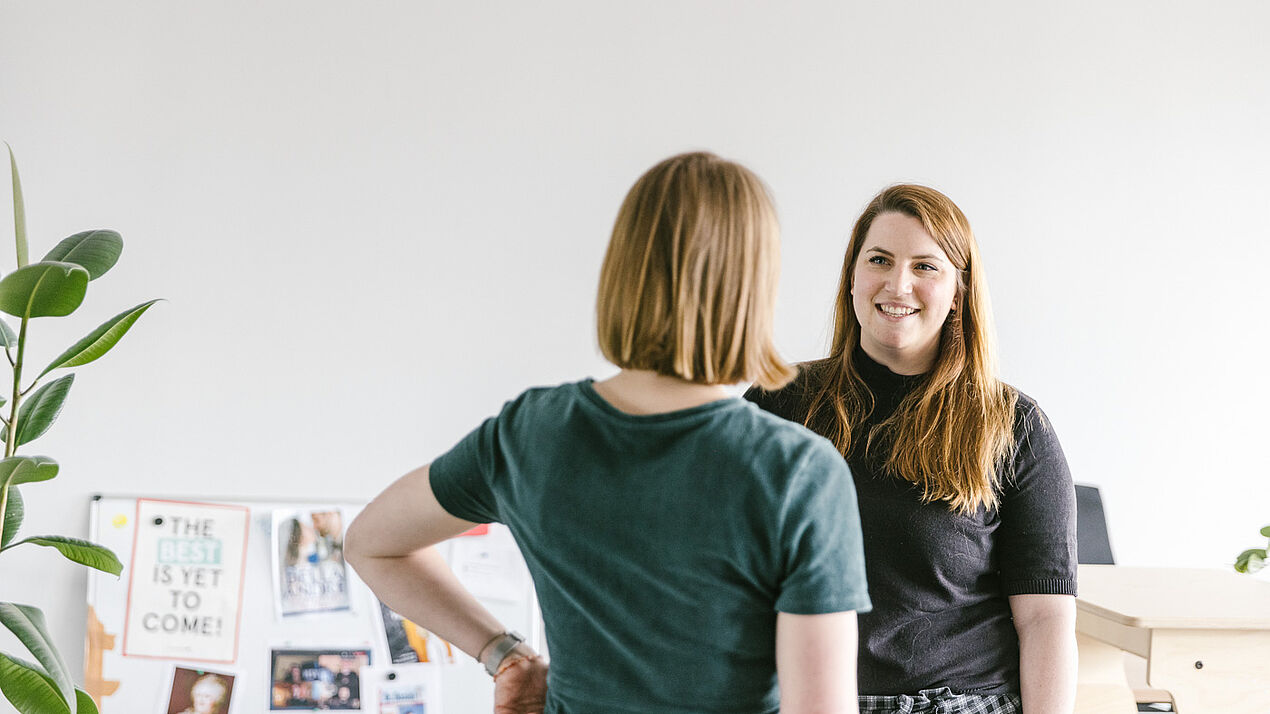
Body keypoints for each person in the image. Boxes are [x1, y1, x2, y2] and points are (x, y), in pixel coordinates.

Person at [346, 151, 872, 714]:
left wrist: (505, 654)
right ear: (751, 289)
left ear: (625, 269)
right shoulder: (797, 474)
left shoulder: (532, 433)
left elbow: (371, 544)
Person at [746, 184, 1077, 714]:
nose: (897, 284)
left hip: (959, 703)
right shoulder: (778, 405)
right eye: (880, 260)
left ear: (959, 292)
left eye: (927, 266)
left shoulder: (1015, 426)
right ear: (853, 278)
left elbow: (1045, 618)